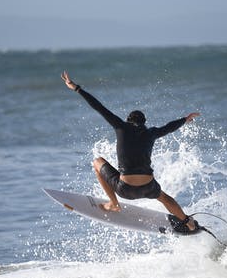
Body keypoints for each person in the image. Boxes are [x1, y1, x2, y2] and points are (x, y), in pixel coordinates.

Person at [61, 71, 201, 232]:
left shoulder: (121, 127)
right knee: (165, 198)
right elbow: (169, 127)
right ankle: (187, 222)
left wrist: (76, 88)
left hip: (125, 189)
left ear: (128, 120)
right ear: (144, 123)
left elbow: (99, 107)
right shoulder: (151, 132)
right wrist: (185, 119)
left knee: (97, 162)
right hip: (149, 186)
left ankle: (113, 203)